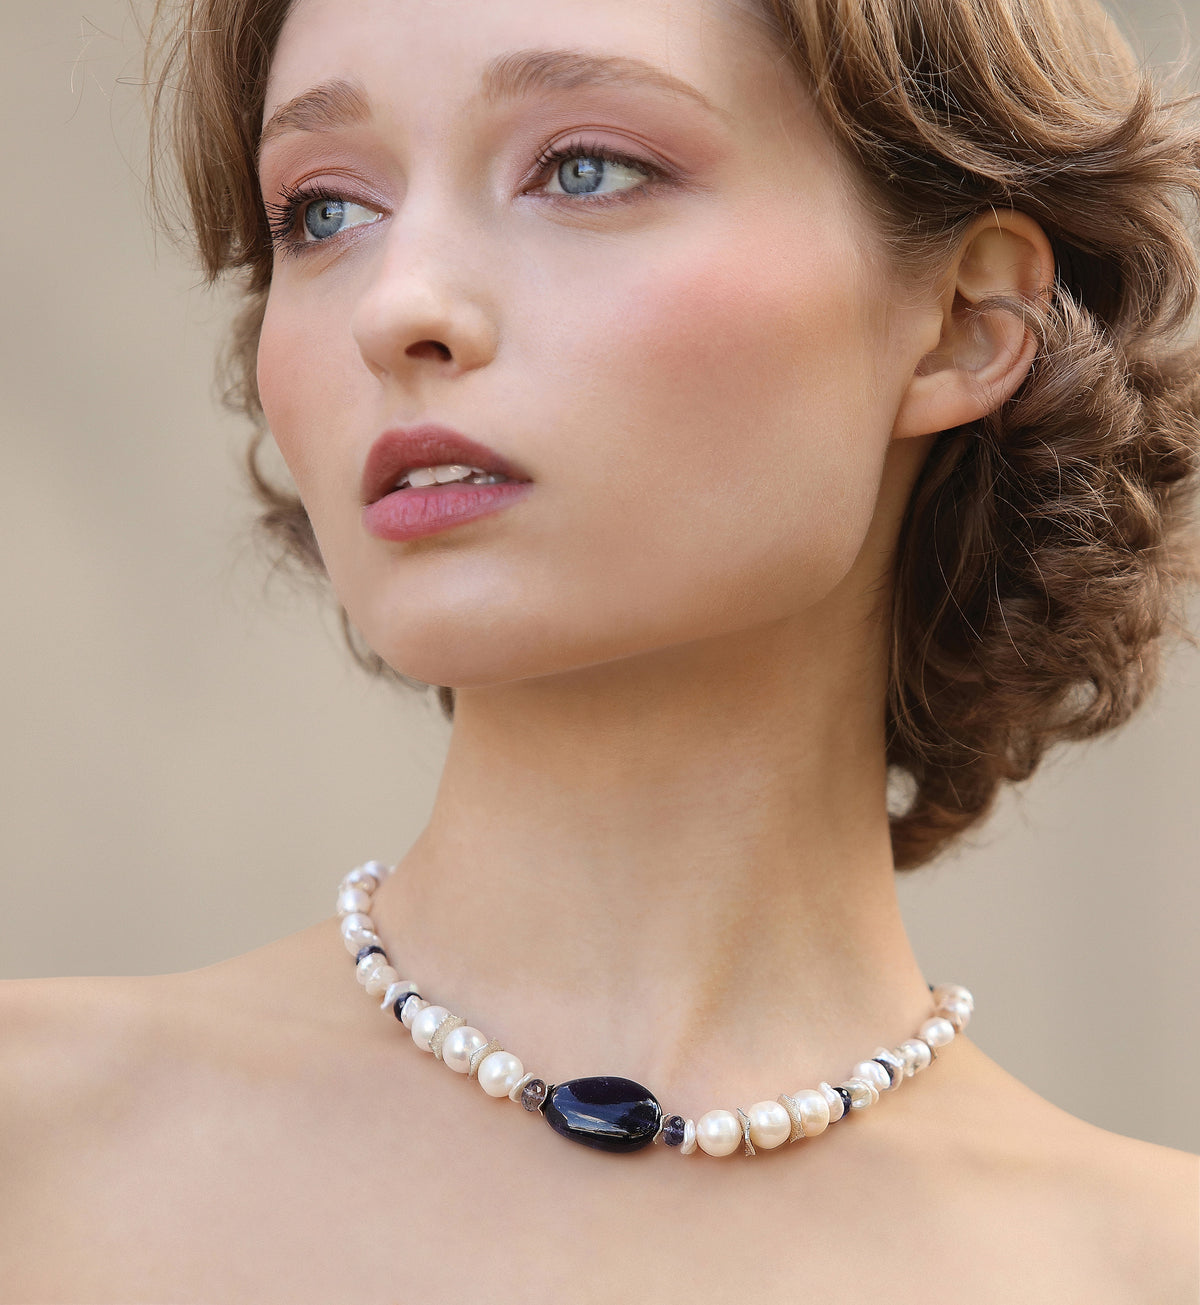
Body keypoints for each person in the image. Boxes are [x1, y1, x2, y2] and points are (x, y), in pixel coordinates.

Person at [2, 0, 1198, 1298]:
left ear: (966, 318)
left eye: (585, 169)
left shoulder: (1146, 1262)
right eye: (325, 209)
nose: (397, 305)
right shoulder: (32, 1146)